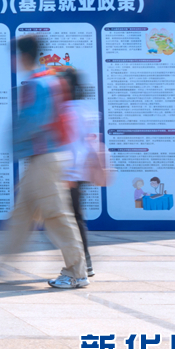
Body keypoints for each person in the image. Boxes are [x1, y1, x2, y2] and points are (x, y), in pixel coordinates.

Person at [0, 36, 88, 289]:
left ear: (22, 56)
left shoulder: (38, 84)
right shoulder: (47, 79)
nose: (12, 60)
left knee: (56, 215)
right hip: (43, 158)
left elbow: (33, 122)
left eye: (14, 55)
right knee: (22, 214)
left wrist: (13, 141)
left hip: (44, 159)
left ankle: (76, 272)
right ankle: (2, 265)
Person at [58, 67, 95, 277]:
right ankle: (84, 262)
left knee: (70, 219)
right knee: (75, 217)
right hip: (79, 171)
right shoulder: (84, 108)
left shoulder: (68, 109)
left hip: (70, 172)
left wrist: (70, 176)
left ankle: (81, 264)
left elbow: (72, 146)